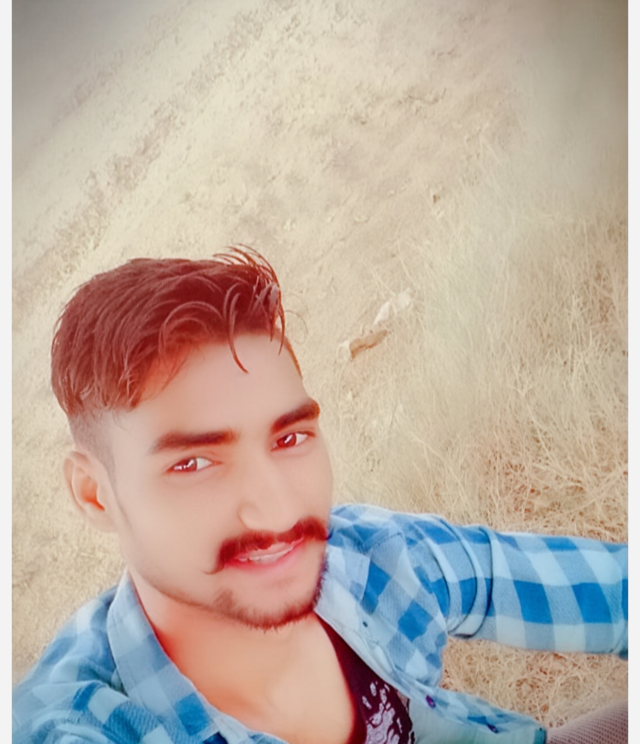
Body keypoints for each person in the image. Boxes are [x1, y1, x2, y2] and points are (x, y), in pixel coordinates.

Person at [13, 248, 627, 744]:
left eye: (289, 438)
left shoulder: (368, 560)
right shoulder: (82, 723)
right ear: (95, 495)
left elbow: (583, 587)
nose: (277, 508)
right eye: (194, 463)